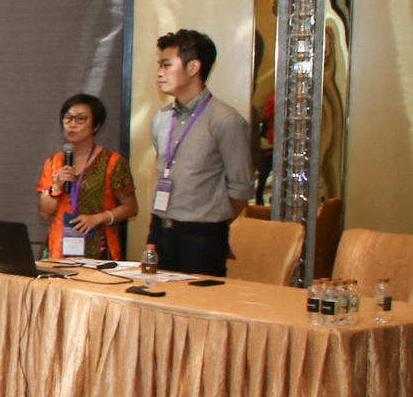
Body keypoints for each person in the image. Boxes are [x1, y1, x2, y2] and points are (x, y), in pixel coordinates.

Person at [149, 29, 253, 276]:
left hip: (202, 238)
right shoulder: (161, 118)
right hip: (162, 232)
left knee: (195, 300)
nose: (160, 72)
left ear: (194, 67)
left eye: (167, 64)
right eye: (159, 65)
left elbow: (241, 189)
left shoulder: (225, 120)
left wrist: (209, 221)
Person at [35, 93, 139, 262]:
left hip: (99, 248)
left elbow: (131, 207)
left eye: (81, 119)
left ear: (96, 125)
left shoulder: (113, 162)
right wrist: (56, 186)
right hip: (59, 248)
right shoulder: (53, 162)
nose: (72, 124)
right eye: (67, 118)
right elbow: (44, 213)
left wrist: (99, 218)